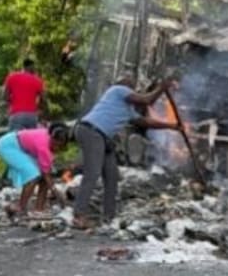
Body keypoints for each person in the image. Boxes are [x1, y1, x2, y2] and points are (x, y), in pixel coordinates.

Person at [73, 76, 180, 229]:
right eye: (131, 84)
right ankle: (79, 215)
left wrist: (171, 126)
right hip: (91, 131)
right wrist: (162, 88)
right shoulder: (117, 90)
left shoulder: (128, 110)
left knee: (112, 176)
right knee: (93, 173)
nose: (133, 86)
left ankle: (109, 217)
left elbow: (146, 122)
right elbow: (147, 100)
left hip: (103, 138)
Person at [0, 122, 71, 218]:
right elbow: (46, 173)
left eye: (60, 146)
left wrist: (53, 188)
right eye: (55, 144)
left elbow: (47, 174)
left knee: (44, 179)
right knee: (33, 175)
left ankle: (39, 209)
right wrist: (56, 192)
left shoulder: (49, 138)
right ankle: (20, 207)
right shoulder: (44, 146)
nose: (56, 148)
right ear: (52, 138)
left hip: (22, 147)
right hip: (8, 146)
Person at [3, 57, 46, 130]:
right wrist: (39, 108)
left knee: (16, 138)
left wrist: (11, 103)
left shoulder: (12, 77)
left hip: (16, 114)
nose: (34, 69)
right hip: (31, 115)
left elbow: (5, 96)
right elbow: (43, 98)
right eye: (33, 67)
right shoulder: (37, 80)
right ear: (30, 67)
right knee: (30, 139)